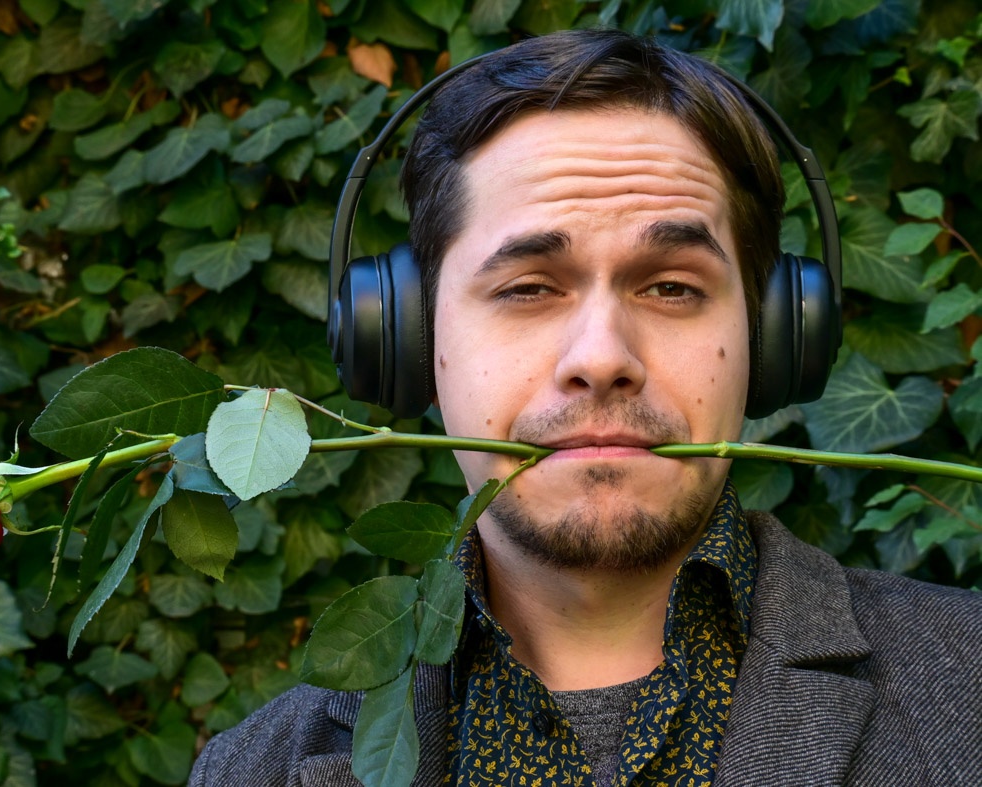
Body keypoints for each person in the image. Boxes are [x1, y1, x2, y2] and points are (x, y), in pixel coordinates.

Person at [189, 29, 982, 787]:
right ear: (407, 340)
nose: (601, 358)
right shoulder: (250, 769)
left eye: (671, 286)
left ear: (775, 338)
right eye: (528, 287)